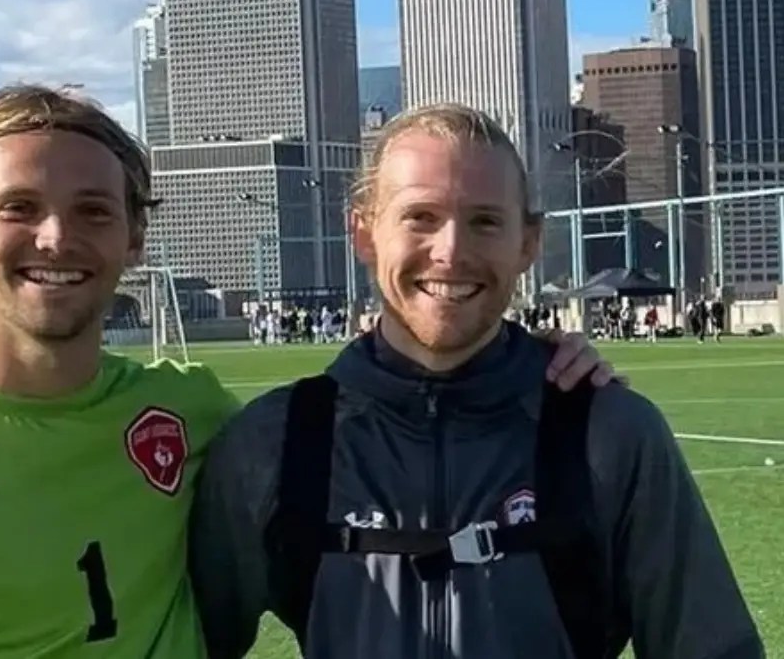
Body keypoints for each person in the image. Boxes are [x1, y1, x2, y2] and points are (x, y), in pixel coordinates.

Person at [0, 87, 612, 658]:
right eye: (19, 208)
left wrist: (520, 359)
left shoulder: (195, 414)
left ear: (136, 238)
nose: (56, 237)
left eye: (94, 211)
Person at [190, 104, 763, 659]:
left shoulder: (612, 434)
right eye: (420, 217)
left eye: (485, 221)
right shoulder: (273, 443)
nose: (451, 251)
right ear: (364, 234)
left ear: (528, 244)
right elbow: (184, 642)